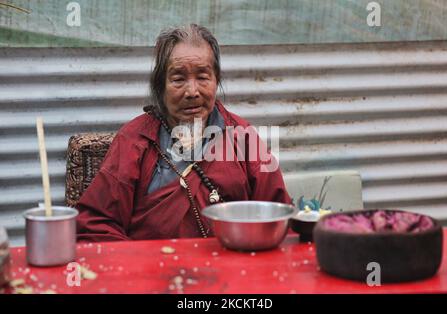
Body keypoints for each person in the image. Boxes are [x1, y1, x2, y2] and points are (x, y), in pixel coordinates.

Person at [76, 24, 292, 242]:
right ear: (160, 86)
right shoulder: (134, 140)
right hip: (153, 271)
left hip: (233, 268)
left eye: (202, 76)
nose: (192, 92)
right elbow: (96, 225)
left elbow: (278, 214)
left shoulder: (243, 137)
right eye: (178, 79)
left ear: (216, 79)